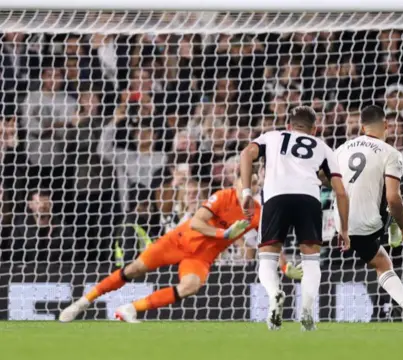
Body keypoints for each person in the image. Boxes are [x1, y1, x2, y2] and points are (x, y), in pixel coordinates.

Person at [58, 176, 260, 323]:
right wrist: (224, 234)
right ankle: (83, 302)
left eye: (253, 184)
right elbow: (197, 223)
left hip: (201, 257)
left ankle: (130, 309)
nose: (248, 189)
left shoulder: (258, 214)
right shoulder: (223, 196)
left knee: (190, 286)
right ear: (236, 184)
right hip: (177, 241)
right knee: (134, 268)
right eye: (246, 183)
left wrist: (284, 266)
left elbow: (270, 241)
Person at [239, 105, 349, 331]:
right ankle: (307, 311)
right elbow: (340, 191)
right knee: (311, 261)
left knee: (267, 260)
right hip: (308, 199)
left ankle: (274, 296)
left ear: (289, 126)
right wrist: (344, 230)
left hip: (275, 197)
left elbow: (246, 154)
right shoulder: (324, 148)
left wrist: (246, 192)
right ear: (314, 129)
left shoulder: (272, 136)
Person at [333, 105, 403, 328]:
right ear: (386, 125)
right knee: (400, 213)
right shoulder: (391, 153)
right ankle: (396, 230)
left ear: (362, 126)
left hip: (340, 223)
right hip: (368, 224)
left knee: (381, 260)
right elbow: (393, 197)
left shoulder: (341, 149)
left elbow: (325, 177)